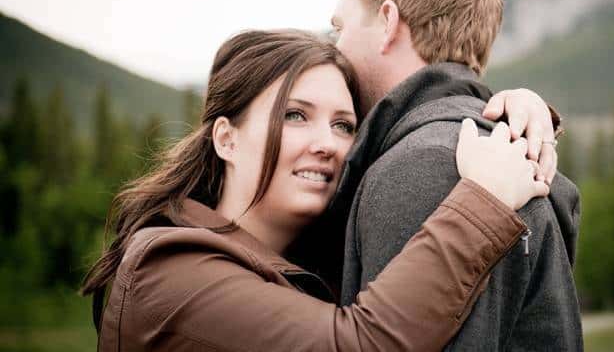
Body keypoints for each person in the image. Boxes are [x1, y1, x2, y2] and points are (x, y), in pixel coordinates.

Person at [82, 29, 550, 351]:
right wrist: (482, 201)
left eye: (344, 125)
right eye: (295, 115)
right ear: (226, 138)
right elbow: (362, 345)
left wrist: (496, 110)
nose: (328, 145)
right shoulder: (168, 274)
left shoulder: (309, 259)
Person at [330, 0, 583, 351]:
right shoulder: (489, 150)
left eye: (339, 28)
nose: (334, 47)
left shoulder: (426, 166)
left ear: (389, 22)